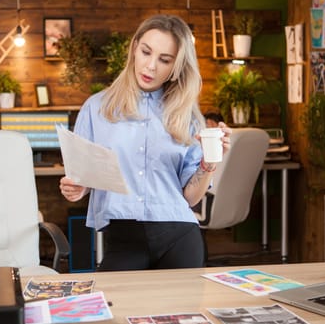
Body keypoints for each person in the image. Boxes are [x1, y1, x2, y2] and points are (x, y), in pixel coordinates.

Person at [59, 14, 231, 271]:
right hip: (124, 239)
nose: (151, 66)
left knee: (182, 312)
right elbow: (84, 176)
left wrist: (209, 161)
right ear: (134, 48)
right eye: (146, 52)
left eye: (164, 60)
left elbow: (191, 197)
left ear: (176, 67)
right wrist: (78, 187)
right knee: (115, 308)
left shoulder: (188, 115)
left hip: (180, 237)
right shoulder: (97, 108)